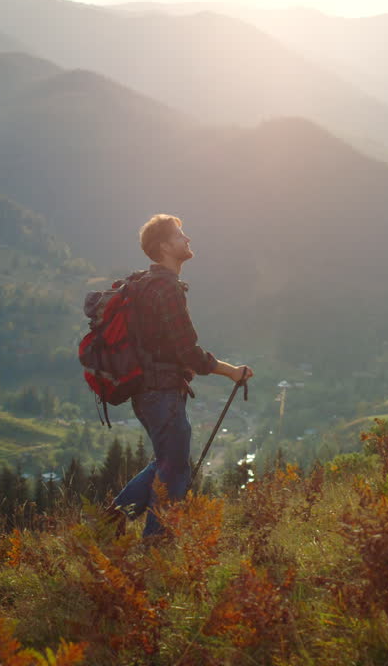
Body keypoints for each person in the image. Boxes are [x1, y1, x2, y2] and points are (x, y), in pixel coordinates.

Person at [109, 214, 252, 538]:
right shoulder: (166, 289)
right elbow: (188, 352)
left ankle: (107, 525)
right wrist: (232, 372)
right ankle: (157, 543)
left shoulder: (145, 284)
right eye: (179, 236)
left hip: (145, 392)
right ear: (163, 247)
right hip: (162, 393)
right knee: (174, 470)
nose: (187, 239)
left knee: (167, 461)